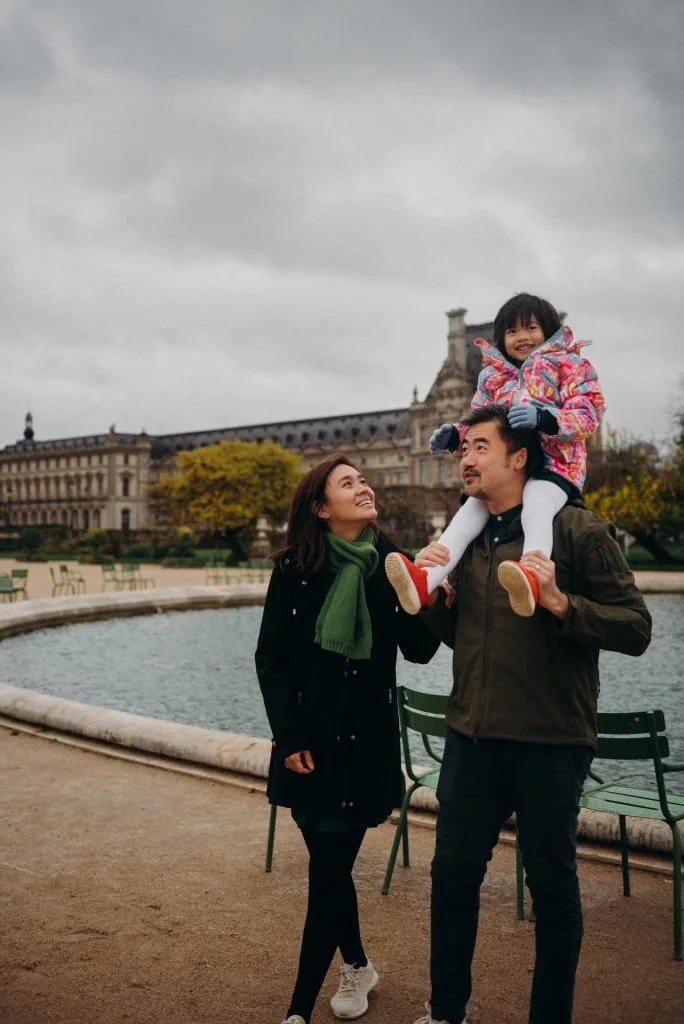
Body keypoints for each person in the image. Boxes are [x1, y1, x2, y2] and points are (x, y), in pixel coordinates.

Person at [408, 404, 652, 1024]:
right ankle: (446, 1012)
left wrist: (562, 603)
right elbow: (450, 636)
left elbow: (636, 627)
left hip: (550, 741)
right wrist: (433, 598)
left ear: (519, 457)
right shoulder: (464, 535)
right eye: (463, 449)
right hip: (472, 735)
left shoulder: (577, 531)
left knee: (552, 890)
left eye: (480, 447)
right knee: (452, 877)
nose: (465, 458)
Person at [255, 454, 441, 1024]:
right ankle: (357, 963)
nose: (363, 487)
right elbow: (272, 660)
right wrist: (288, 738)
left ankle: (297, 1012)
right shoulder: (293, 568)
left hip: (363, 746)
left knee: (326, 873)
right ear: (320, 506)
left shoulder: (392, 563)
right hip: (307, 745)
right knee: (330, 870)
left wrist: (428, 594)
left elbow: (420, 650)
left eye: (362, 479)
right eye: (347, 483)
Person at [386, 293, 606, 618]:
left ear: (549, 330)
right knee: (465, 517)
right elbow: (482, 424)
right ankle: (426, 580)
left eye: (531, 328)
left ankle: (531, 577)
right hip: (507, 471)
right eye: (512, 332)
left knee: (537, 508)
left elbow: (588, 412)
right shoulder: (493, 376)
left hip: (554, 467)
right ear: (500, 338)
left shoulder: (570, 366)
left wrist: (546, 419)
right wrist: (457, 435)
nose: (522, 338)